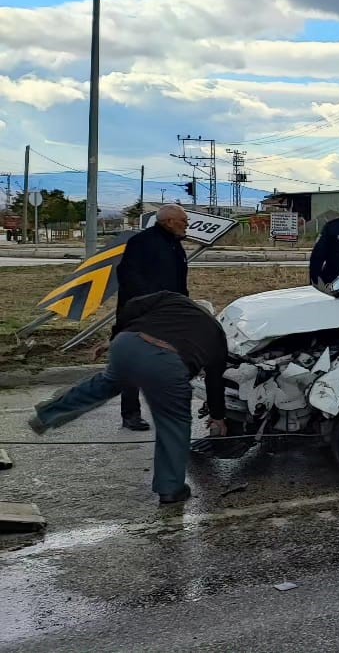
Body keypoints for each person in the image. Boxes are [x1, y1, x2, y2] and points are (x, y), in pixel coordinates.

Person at [28, 291, 229, 505]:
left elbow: (133, 304)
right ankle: (171, 489)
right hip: (167, 363)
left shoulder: (173, 299)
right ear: (212, 315)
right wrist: (218, 417)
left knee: (103, 385)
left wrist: (115, 336)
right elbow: (215, 381)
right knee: (174, 423)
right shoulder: (217, 333)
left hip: (127, 344)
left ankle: (47, 415)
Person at [112, 203, 192, 431]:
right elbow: (129, 277)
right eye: (183, 221)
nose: (187, 225)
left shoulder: (174, 245)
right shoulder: (142, 243)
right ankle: (130, 414)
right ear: (168, 222)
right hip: (140, 315)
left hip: (168, 314)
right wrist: (151, 304)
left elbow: (178, 282)